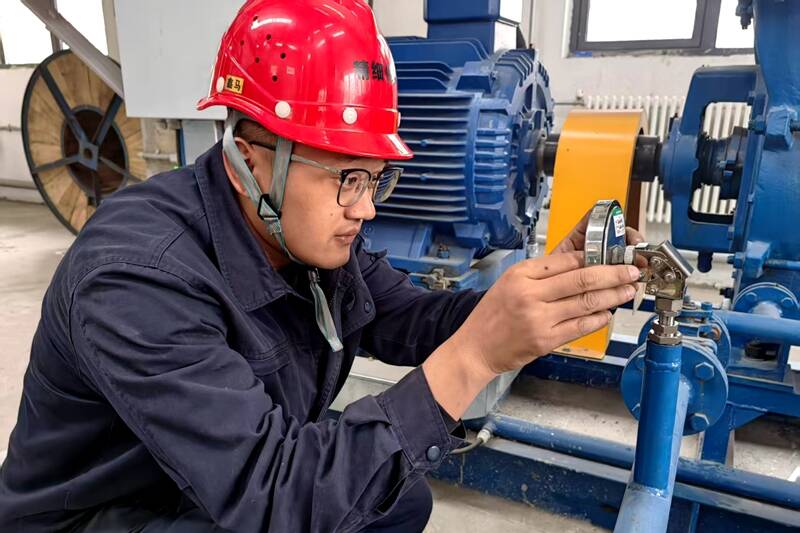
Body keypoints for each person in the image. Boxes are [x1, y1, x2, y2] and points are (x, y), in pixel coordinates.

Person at [0, 1, 642, 531]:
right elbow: (272, 496)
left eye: (375, 177)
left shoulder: (305, 238)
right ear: (251, 161)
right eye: (346, 178)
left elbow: (411, 318)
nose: (366, 207)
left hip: (203, 478)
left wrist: (539, 294)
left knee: (398, 502)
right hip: (109, 514)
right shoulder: (136, 278)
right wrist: (473, 358)